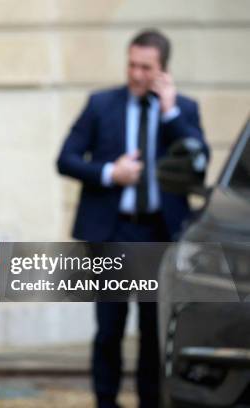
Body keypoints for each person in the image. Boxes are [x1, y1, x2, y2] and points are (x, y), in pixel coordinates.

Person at [57, 29, 209, 408]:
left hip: (160, 233)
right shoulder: (100, 104)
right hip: (112, 231)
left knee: (152, 332)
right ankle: (105, 402)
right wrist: (111, 172)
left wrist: (171, 112)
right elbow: (67, 158)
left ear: (162, 70)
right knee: (109, 329)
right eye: (132, 64)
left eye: (146, 67)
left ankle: (149, 401)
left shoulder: (183, 110)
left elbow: (198, 166)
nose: (137, 74)